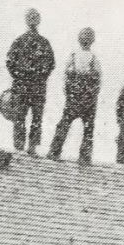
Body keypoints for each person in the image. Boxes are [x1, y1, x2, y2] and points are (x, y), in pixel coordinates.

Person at [46, 27, 102, 165]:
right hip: (76, 96)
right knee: (65, 124)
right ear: (79, 39)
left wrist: (90, 94)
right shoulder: (73, 56)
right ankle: (55, 151)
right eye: (84, 38)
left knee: (87, 128)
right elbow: (66, 75)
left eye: (88, 38)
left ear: (92, 41)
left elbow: (98, 79)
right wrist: (70, 91)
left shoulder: (93, 58)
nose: (86, 40)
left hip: (85, 97)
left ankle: (84, 157)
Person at [5, 8, 55, 156]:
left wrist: (36, 77)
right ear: (27, 21)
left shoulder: (43, 43)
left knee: (35, 118)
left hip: (34, 86)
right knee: (21, 117)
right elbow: (10, 62)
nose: (33, 22)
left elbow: (51, 64)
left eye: (35, 19)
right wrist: (20, 77)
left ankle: (31, 146)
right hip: (26, 85)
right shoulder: (19, 41)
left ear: (38, 21)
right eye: (30, 19)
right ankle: (20, 146)